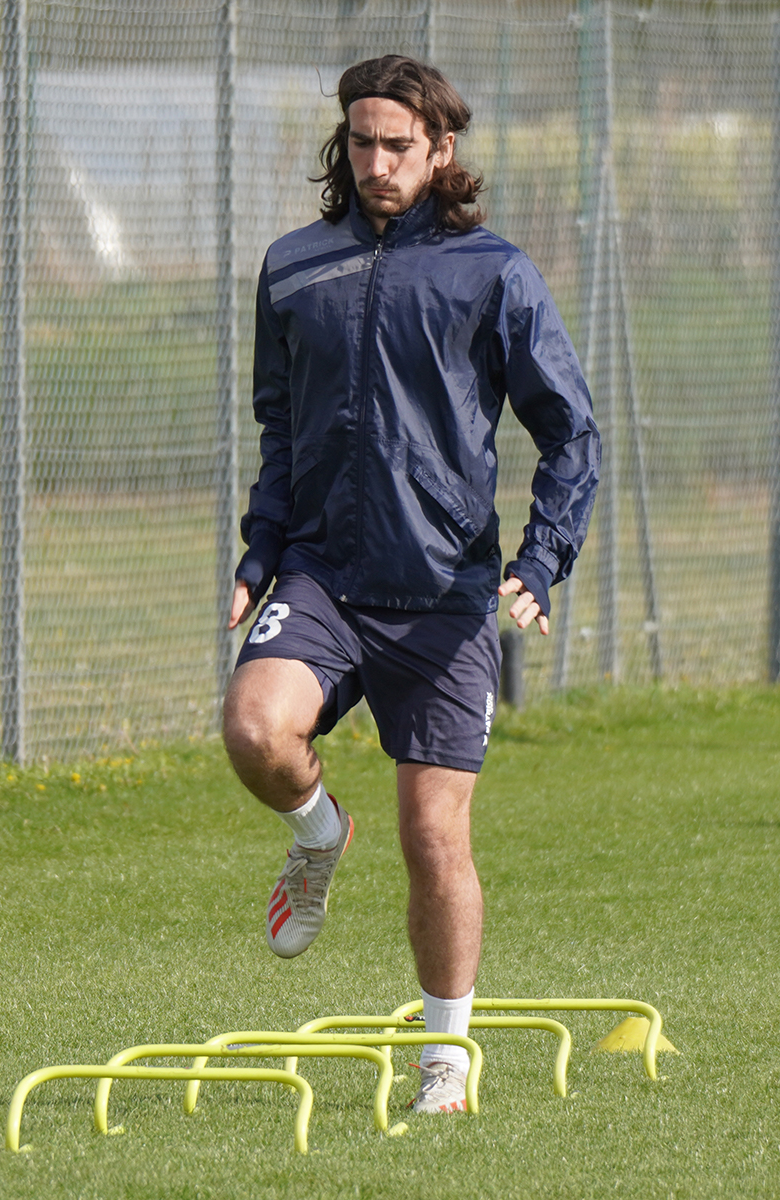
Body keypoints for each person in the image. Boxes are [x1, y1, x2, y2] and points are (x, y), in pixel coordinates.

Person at [222, 55, 599, 1115]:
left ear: (442, 153)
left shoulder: (493, 273)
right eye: (361, 143)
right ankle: (315, 835)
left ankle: (444, 1063)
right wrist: (260, 549)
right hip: (324, 574)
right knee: (255, 730)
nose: (378, 162)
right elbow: (281, 427)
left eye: (399, 145)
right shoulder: (293, 267)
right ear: (341, 148)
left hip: (440, 595)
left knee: (434, 838)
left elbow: (570, 432)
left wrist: (539, 559)